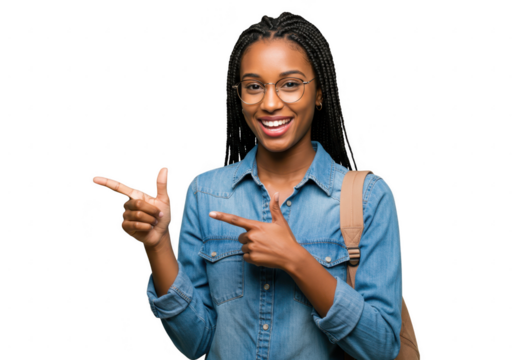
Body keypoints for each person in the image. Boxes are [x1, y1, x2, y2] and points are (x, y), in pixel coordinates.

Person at [93, 11, 403, 360]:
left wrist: (296, 260)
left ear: (319, 93)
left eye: (290, 83)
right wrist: (158, 245)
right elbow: (196, 343)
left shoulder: (367, 198)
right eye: (254, 86)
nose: (270, 103)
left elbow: (382, 347)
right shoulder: (205, 192)